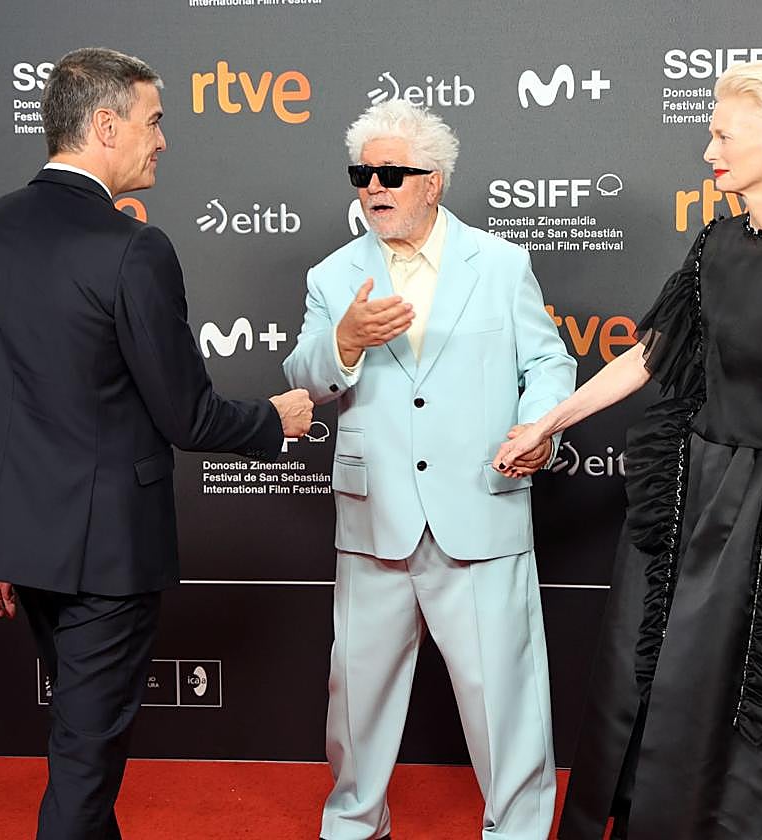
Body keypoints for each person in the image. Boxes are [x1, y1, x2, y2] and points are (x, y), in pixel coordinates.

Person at [496, 61, 762, 839]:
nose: (709, 149)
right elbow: (645, 357)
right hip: (699, 486)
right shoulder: (714, 239)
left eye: (722, 134)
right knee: (673, 668)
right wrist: (548, 423)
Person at [0, 47, 312, 840]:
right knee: (83, 761)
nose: (163, 140)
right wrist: (277, 420)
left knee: (79, 745)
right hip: (106, 554)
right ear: (106, 125)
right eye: (153, 120)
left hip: (16, 546)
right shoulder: (135, 247)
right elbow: (188, 416)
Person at [283, 98, 576, 840]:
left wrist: (538, 425)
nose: (374, 187)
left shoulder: (503, 264)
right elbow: (305, 378)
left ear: (434, 180)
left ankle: (515, 830)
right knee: (357, 698)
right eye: (362, 173)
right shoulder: (333, 275)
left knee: (504, 699)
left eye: (391, 173)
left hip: (480, 505)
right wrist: (343, 342)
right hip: (374, 513)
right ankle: (354, 824)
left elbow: (548, 361)